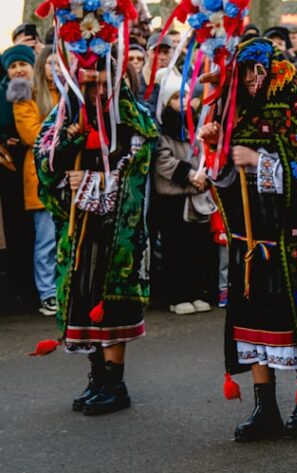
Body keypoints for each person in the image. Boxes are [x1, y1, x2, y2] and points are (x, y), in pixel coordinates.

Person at [200, 38, 297, 441]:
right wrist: (217, 151)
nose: (247, 80)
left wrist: (258, 160)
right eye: (242, 73)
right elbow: (224, 181)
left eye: (253, 72)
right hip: (249, 241)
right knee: (253, 325)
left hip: (288, 244)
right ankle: (265, 407)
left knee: (291, 324)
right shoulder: (237, 119)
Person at [35, 52, 158, 414]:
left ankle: (115, 383)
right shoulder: (64, 116)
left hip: (118, 229)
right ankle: (97, 377)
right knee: (84, 299)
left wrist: (91, 181)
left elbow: (136, 170)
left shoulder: (134, 116)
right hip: (80, 230)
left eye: (105, 81)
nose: (99, 89)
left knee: (114, 303)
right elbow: (43, 159)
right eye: (90, 83)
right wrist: (69, 145)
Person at [151, 73, 217, 316]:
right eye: (176, 97)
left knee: (197, 247)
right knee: (175, 248)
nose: (182, 101)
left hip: (195, 195)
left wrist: (204, 175)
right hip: (173, 197)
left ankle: (196, 291)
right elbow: (163, 161)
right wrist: (190, 174)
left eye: (185, 96)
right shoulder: (162, 129)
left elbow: (205, 152)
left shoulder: (196, 126)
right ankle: (177, 295)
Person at [6, 44, 58, 315]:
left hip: (70, 175)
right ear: (41, 66)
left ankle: (64, 288)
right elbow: (32, 135)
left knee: (67, 237)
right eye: (50, 64)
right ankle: (47, 292)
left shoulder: (69, 92)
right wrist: (65, 129)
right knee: (46, 239)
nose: (55, 69)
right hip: (41, 175)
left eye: (60, 64)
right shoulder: (27, 96)